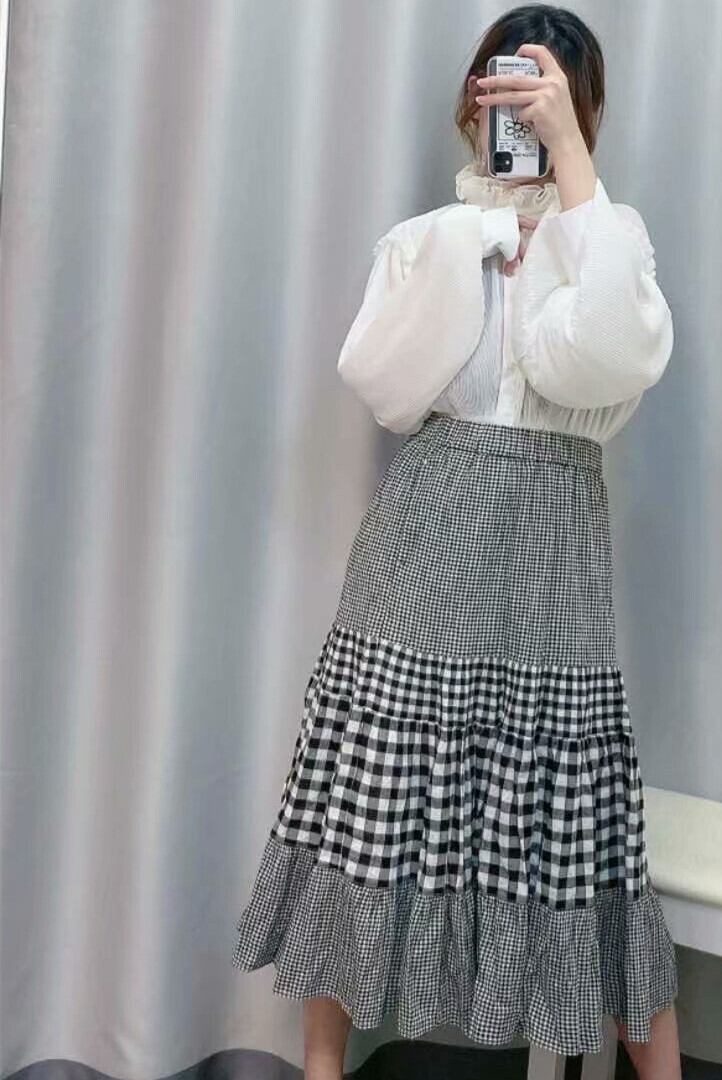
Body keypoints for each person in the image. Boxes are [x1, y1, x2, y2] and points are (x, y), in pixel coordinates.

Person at [232, 6, 682, 1079]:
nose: (523, 109)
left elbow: (599, 359)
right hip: (425, 544)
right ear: (472, 100)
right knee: (372, 811)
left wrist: (569, 176)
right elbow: (384, 385)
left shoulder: (611, 241)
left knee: (584, 838)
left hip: (554, 559)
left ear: (586, 108)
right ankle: (322, 1070)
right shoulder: (428, 240)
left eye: (551, 94)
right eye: (505, 88)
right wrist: (469, 248)